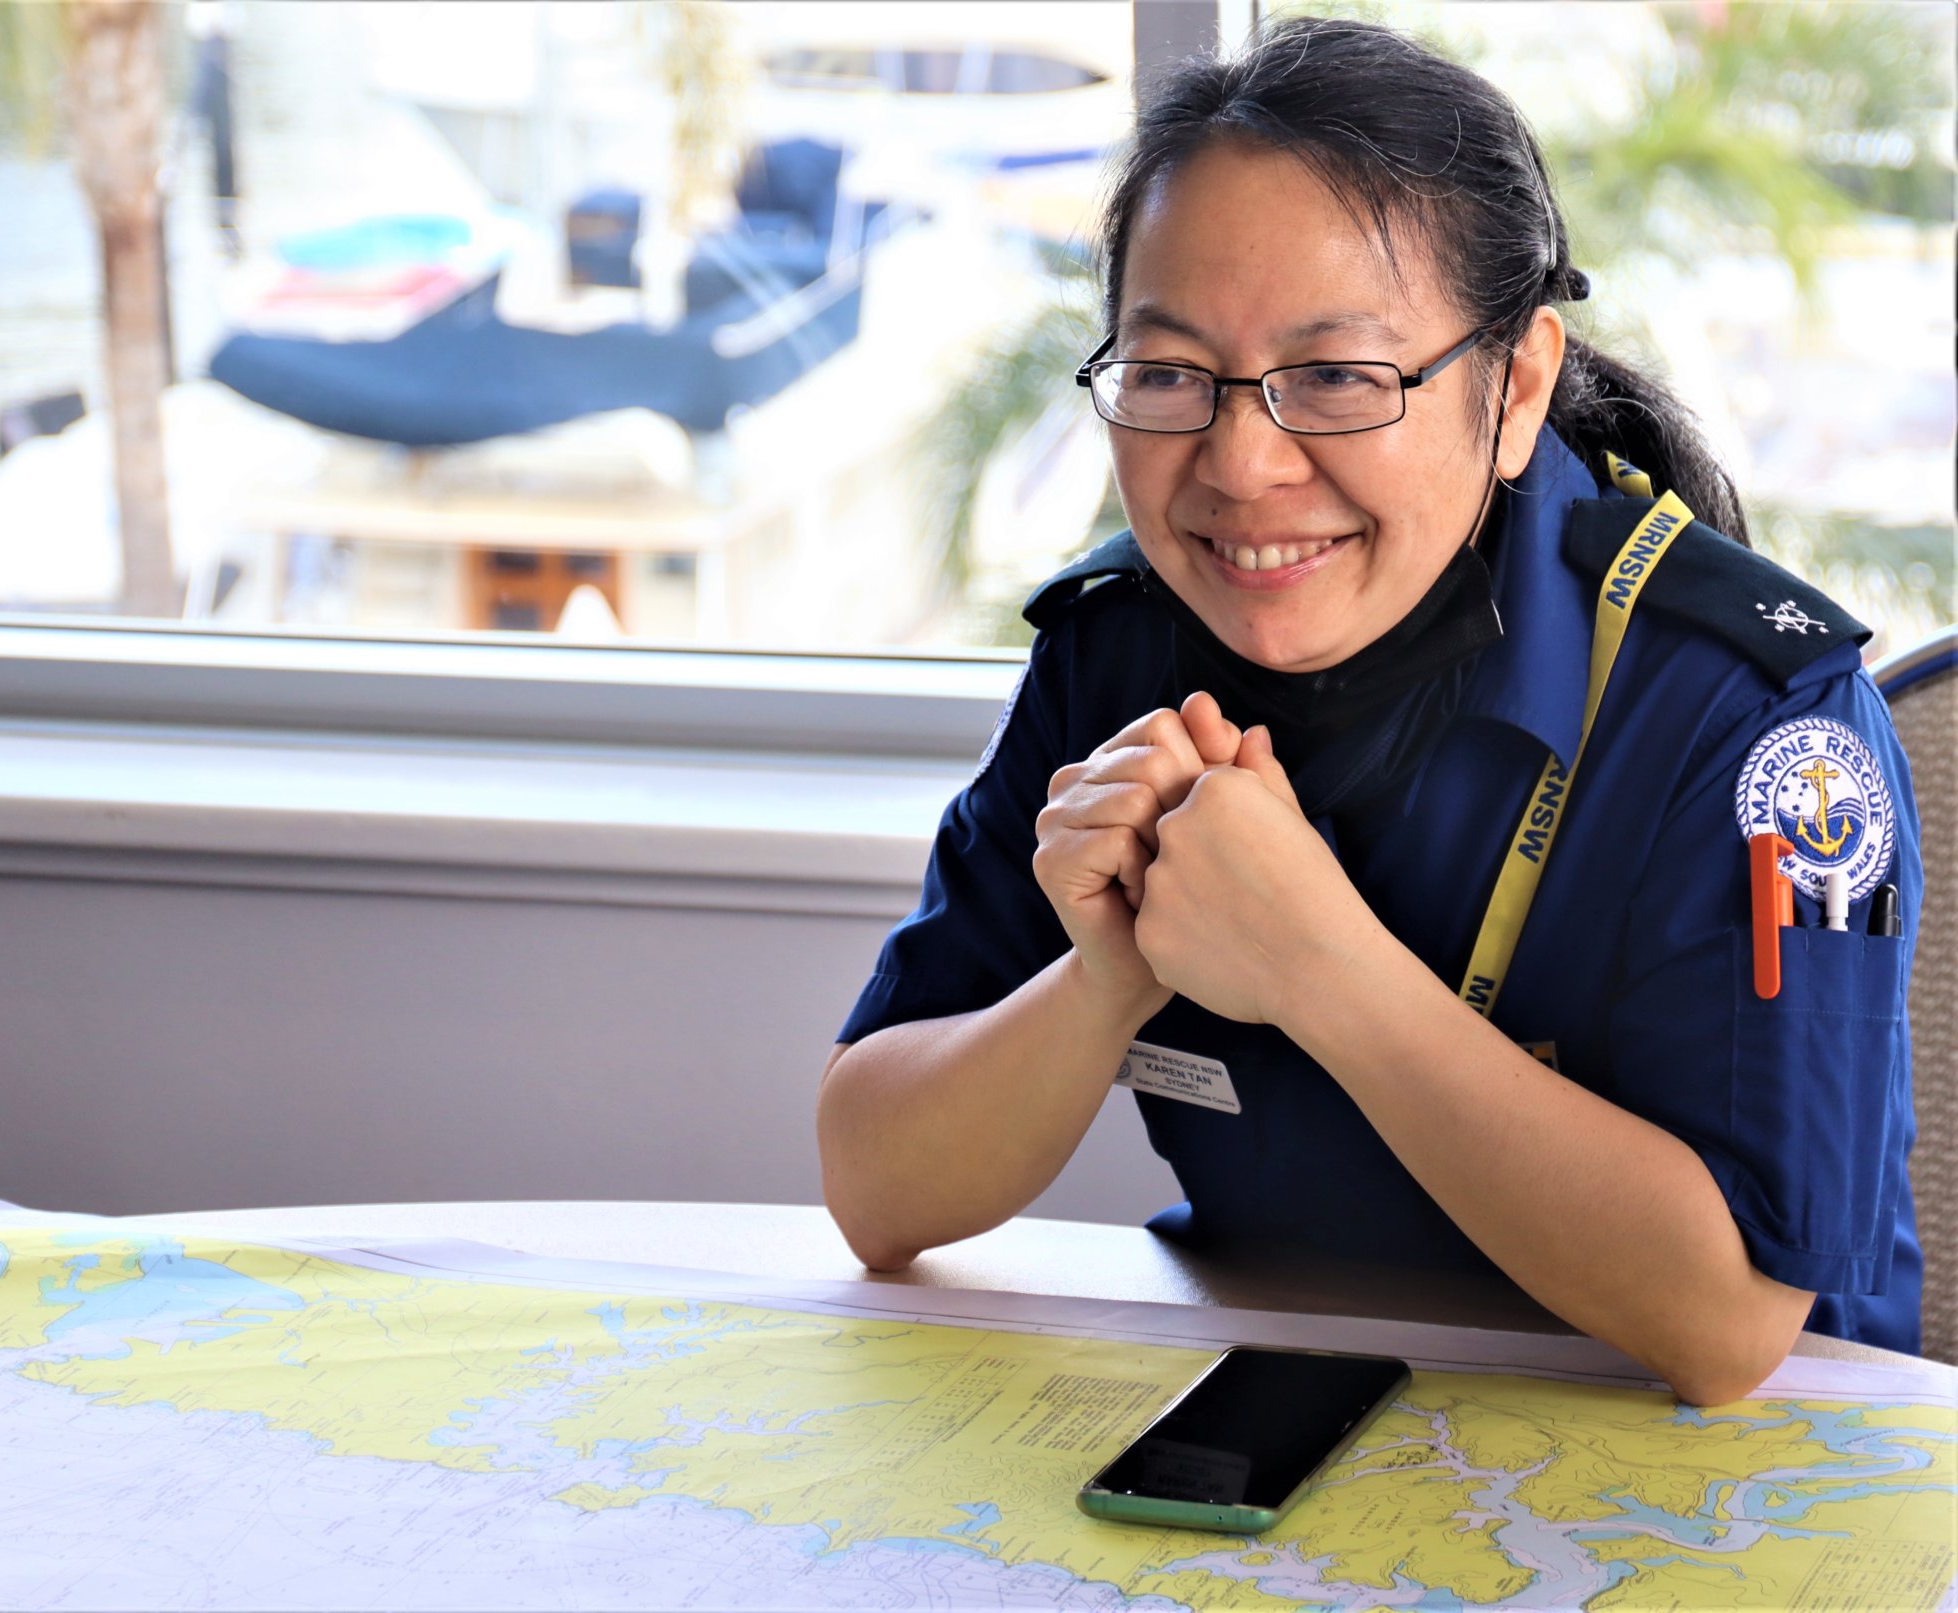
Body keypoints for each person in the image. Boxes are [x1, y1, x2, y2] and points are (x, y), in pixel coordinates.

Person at [815, 15, 1921, 1405]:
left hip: (1731, 1476)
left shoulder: (1756, 715)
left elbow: (1727, 1326)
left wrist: (1317, 962)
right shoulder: (1122, 650)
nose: (1239, 462)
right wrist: (1103, 976)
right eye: (1168, 374)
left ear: (1514, 384)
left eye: (1337, 378)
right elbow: (875, 1184)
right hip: (1294, 1417)